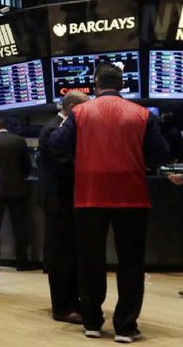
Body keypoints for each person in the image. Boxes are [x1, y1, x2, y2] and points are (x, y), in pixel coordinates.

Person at [51, 64, 169, 342]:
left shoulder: (79, 113)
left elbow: (57, 144)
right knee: (131, 262)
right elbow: (160, 154)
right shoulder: (141, 114)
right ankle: (126, 327)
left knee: (90, 259)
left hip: (90, 196)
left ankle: (92, 321)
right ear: (122, 84)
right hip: (132, 196)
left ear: (95, 85)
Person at [37, 91, 88, 325]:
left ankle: (74, 302)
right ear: (73, 106)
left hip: (67, 200)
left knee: (70, 254)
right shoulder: (53, 129)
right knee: (60, 256)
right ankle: (62, 307)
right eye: (85, 106)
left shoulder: (62, 126)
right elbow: (65, 164)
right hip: (58, 201)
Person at [0, 119, 32, 270]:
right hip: (17, 189)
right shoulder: (19, 141)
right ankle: (22, 262)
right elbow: (27, 167)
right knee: (19, 226)